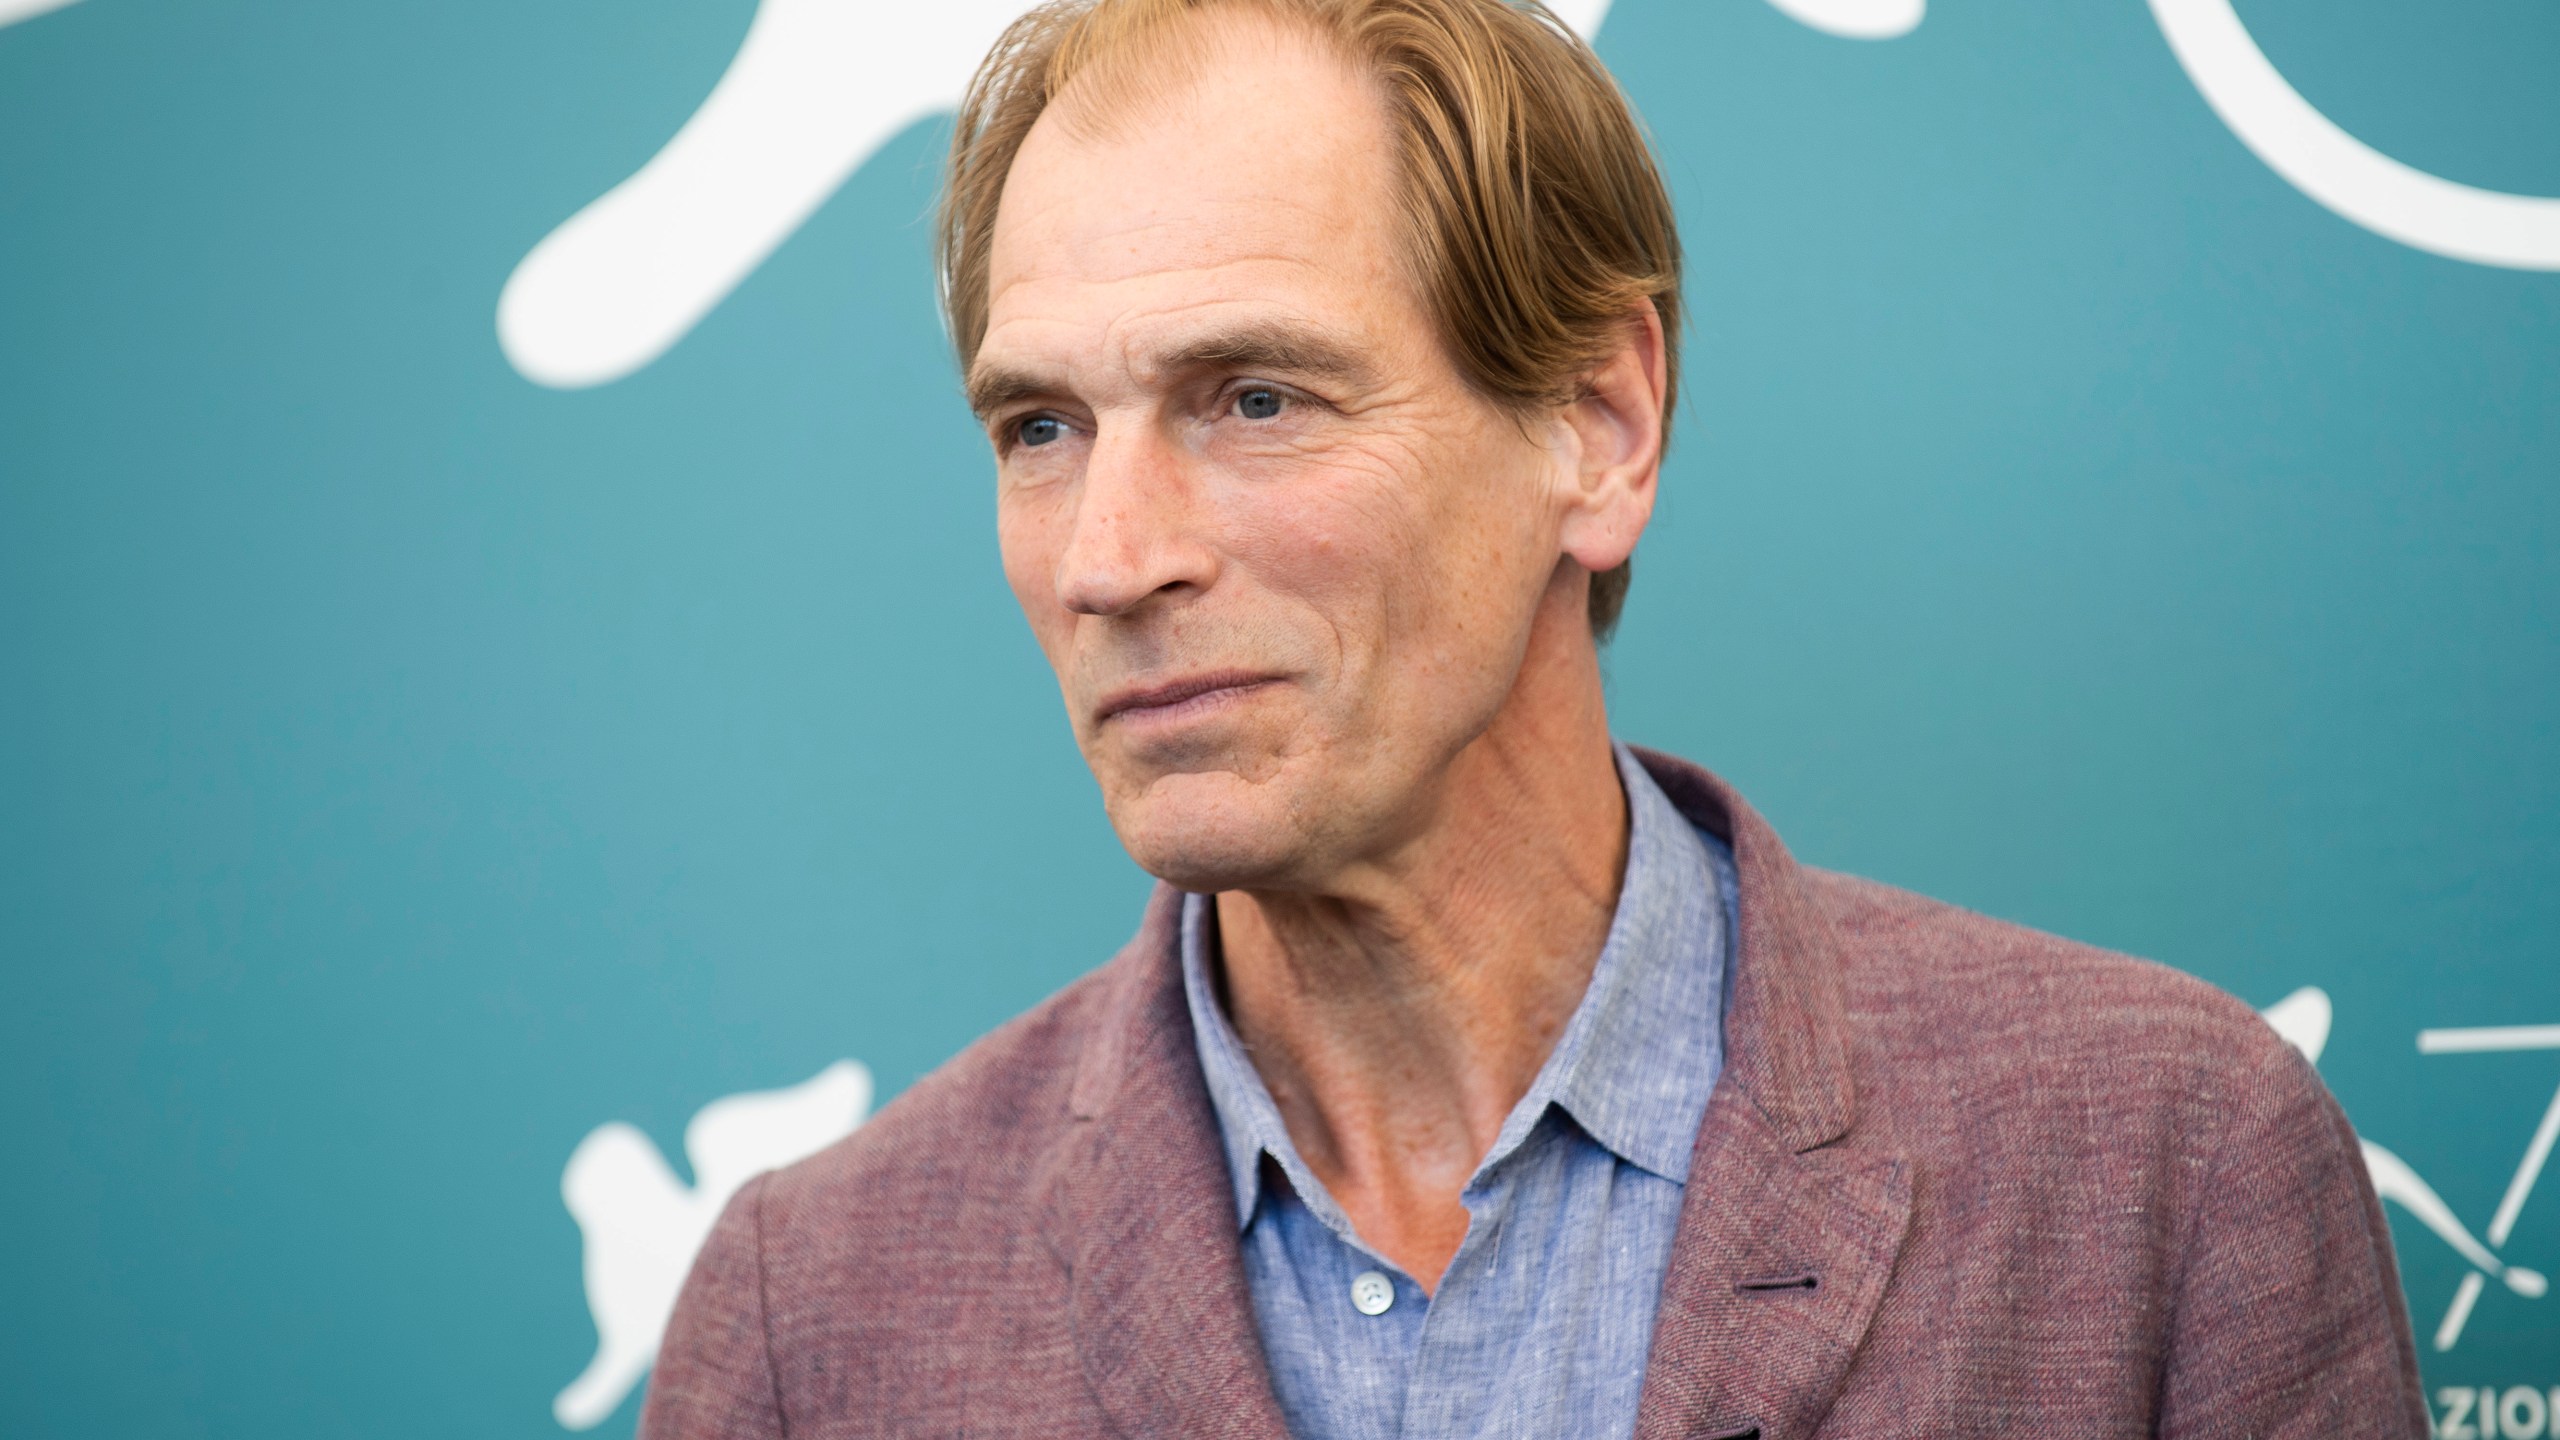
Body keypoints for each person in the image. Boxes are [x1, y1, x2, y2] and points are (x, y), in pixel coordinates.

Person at [641, 1, 2427, 1435]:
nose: (1110, 558)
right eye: (1040, 429)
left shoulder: (2165, 1172)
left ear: (1600, 427)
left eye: (1254, 398)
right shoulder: (821, 1313)